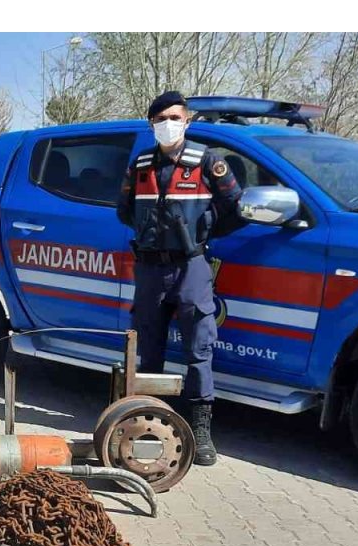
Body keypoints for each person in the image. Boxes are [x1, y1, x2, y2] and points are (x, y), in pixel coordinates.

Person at [116, 91, 245, 466]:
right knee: (148, 350)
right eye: (159, 119)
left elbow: (235, 210)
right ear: (151, 124)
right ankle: (150, 425)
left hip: (191, 267)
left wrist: (201, 233)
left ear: (187, 120)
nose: (167, 124)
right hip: (151, 269)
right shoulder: (139, 165)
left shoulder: (208, 162)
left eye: (174, 117)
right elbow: (125, 211)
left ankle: (200, 431)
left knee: (198, 351)